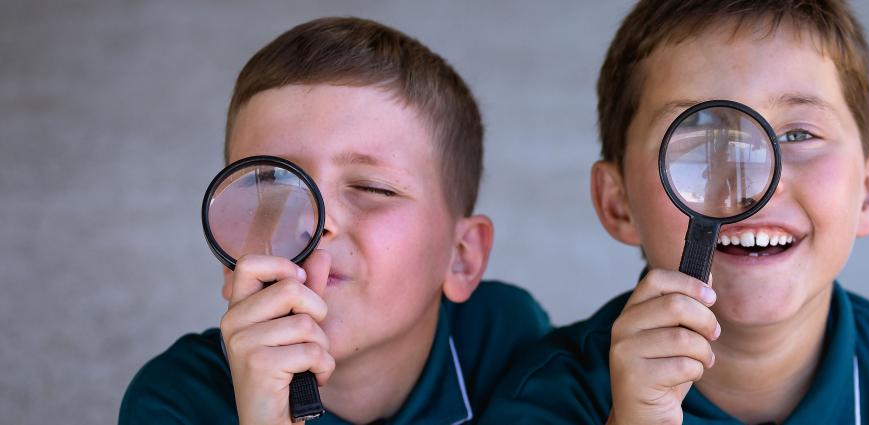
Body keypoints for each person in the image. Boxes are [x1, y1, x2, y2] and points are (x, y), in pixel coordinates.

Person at [481, 1, 869, 423]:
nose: (753, 186)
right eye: (700, 138)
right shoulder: (548, 398)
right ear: (618, 203)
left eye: (797, 135)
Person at [120, 17, 550, 424]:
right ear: (230, 261)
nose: (315, 222)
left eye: (373, 188)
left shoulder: (509, 341)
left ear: (462, 257)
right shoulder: (174, 400)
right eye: (271, 191)